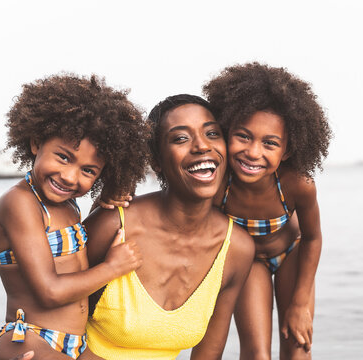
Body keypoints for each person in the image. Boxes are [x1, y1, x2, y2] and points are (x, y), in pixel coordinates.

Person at [79, 94, 254, 359]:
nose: (201, 146)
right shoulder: (113, 225)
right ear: (156, 161)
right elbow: (51, 321)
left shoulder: (236, 248)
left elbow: (208, 353)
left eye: (212, 134)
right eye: (181, 138)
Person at [0, 74, 147, 360]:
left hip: (76, 343)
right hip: (30, 339)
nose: (70, 176)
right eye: (63, 157)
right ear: (36, 143)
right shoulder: (20, 203)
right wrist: (113, 267)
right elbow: (49, 291)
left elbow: (70, 256)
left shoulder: (69, 206)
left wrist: (102, 202)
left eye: (89, 171)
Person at [203, 62, 332, 359]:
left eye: (270, 143)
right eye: (243, 136)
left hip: (292, 255)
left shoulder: (298, 184)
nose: (253, 152)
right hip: (250, 263)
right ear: (226, 131)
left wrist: (300, 303)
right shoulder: (218, 181)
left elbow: (312, 238)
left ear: (286, 151)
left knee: (298, 348)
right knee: (256, 353)